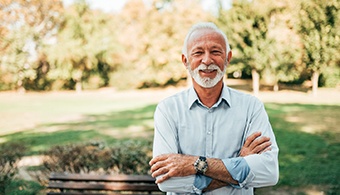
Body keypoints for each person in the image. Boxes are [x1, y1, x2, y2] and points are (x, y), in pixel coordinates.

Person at [149, 22, 279, 194]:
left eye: (216, 52)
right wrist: (240, 164)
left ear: (228, 58)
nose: (207, 60)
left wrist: (195, 164)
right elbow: (167, 181)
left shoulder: (251, 107)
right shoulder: (168, 110)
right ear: (185, 60)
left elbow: (268, 173)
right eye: (198, 52)